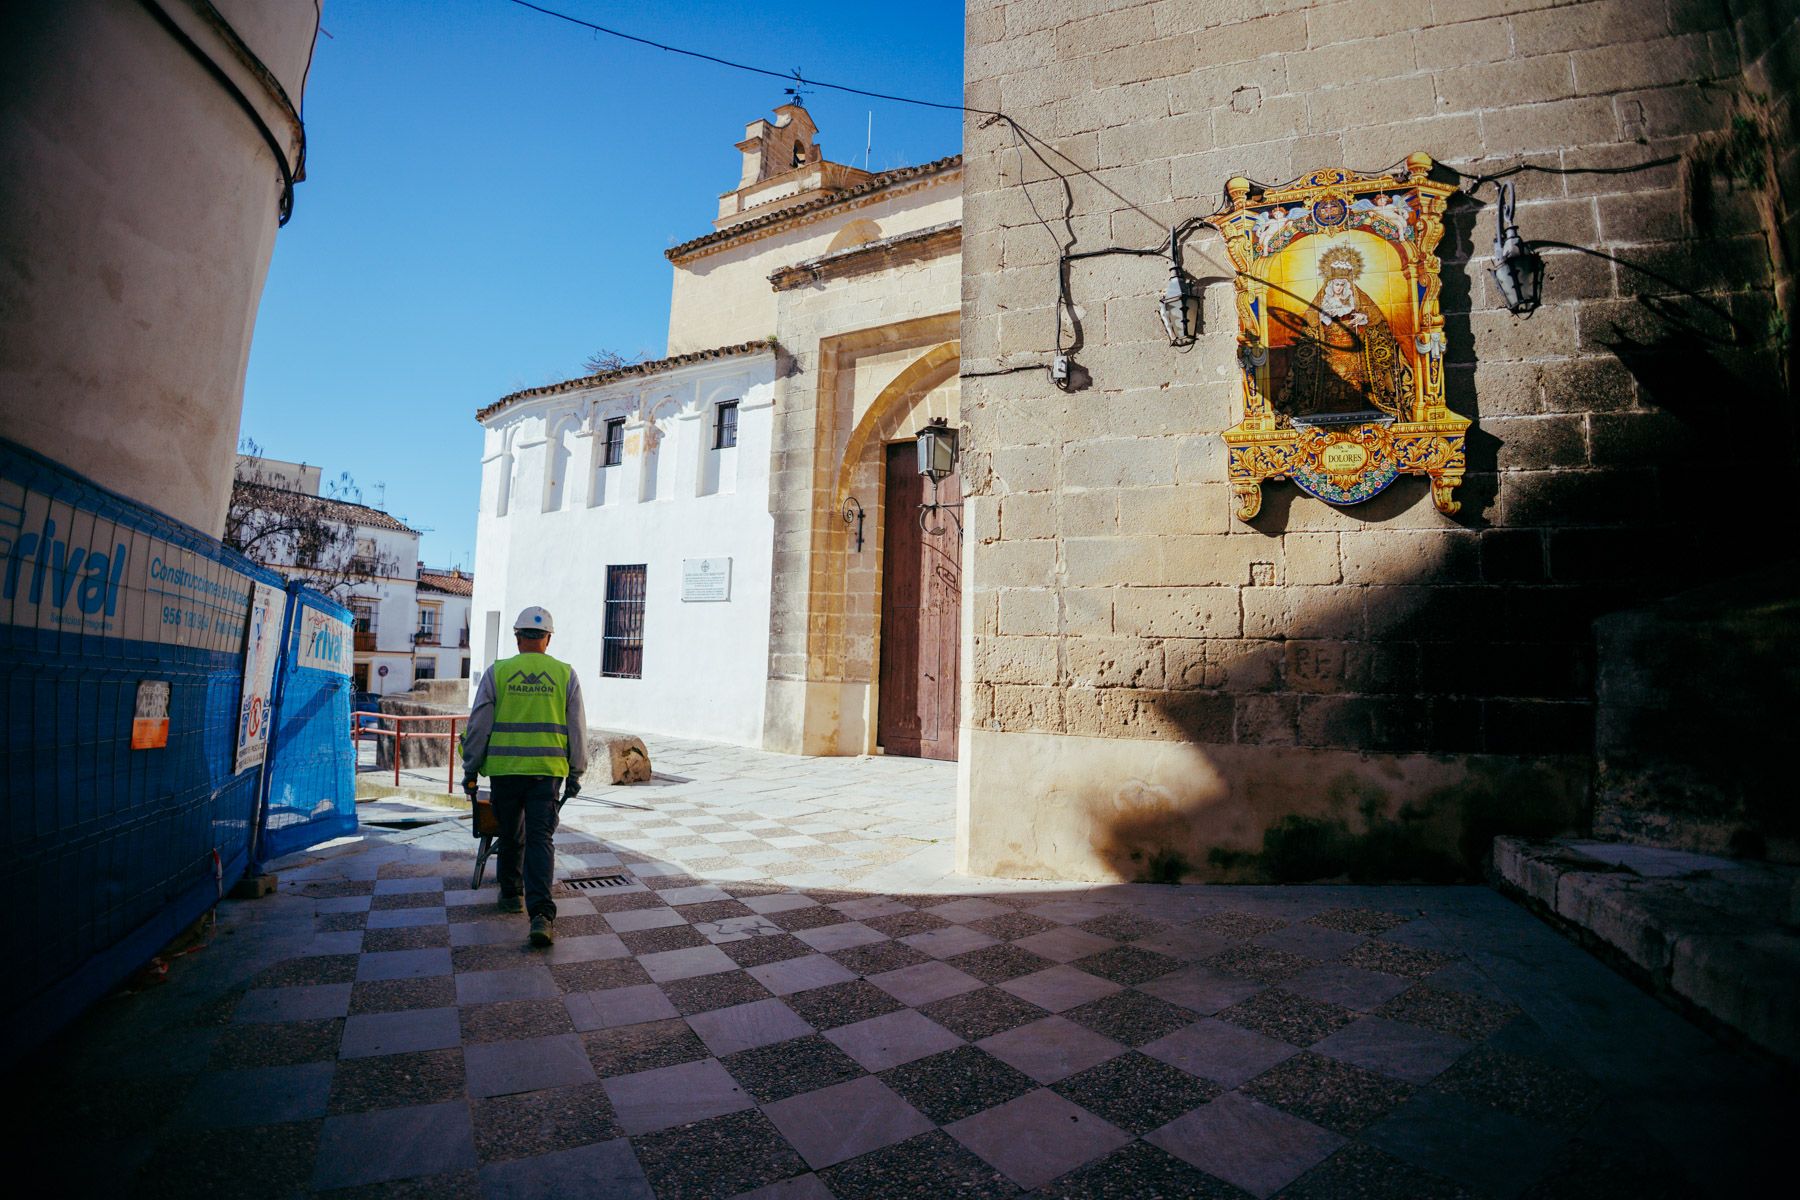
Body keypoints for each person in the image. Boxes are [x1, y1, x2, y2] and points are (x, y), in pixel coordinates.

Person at [461, 606, 587, 946]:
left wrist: (470, 768)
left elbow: (478, 726)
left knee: (510, 832)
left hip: (504, 771)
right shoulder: (564, 674)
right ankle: (541, 916)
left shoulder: (498, 672)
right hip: (546, 774)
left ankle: (510, 894)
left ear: (518, 638)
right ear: (547, 639)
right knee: (540, 839)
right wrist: (576, 772)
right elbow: (577, 729)